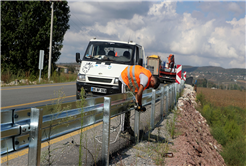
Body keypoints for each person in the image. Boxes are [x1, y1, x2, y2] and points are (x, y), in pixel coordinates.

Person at [118, 65, 161, 136]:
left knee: (129, 107)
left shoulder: (147, 77)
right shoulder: (146, 78)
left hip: (129, 83)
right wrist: (137, 103)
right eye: (151, 85)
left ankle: (127, 127)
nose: (149, 87)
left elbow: (139, 93)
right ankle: (123, 130)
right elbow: (138, 94)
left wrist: (140, 105)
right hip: (124, 80)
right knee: (125, 106)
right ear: (152, 80)